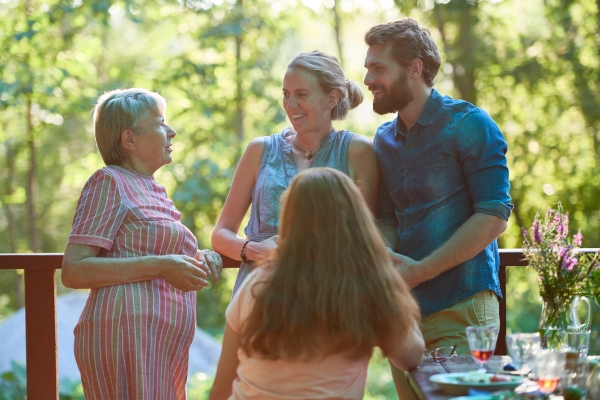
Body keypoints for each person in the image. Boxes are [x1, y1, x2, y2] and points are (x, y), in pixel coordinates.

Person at [363, 18, 513, 397]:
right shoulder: (383, 140)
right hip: (404, 316)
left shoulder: (470, 124)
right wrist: (384, 260)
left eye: (378, 68)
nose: (367, 80)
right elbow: (386, 218)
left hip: (461, 308)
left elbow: (494, 215)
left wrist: (422, 270)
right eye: (367, 68)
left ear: (414, 69)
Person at [209, 167, 424, 400]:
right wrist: (387, 280)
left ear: (290, 219)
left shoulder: (257, 285)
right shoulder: (368, 287)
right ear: (355, 220)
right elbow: (411, 357)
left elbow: (221, 390)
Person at [61, 88, 222, 400]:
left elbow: (152, 249)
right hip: (126, 339)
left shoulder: (150, 189)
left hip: (156, 344)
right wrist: (161, 266)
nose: (171, 131)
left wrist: (200, 256)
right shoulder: (109, 181)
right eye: (160, 124)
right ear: (129, 139)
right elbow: (74, 270)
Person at [211, 50, 379, 294]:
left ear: (332, 98)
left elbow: (367, 236)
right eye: (286, 95)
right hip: (259, 296)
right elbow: (220, 234)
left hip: (331, 298)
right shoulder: (260, 150)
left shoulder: (357, 151)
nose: (290, 105)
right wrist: (252, 249)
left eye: (302, 95)